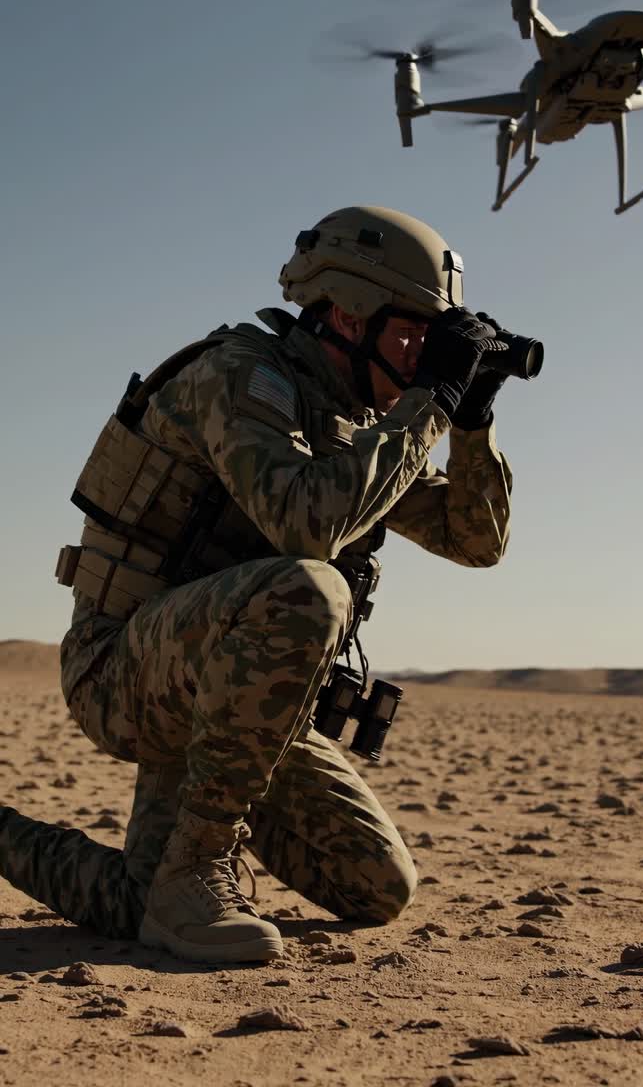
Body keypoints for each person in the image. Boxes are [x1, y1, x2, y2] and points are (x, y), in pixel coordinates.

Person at [0, 205, 513, 964]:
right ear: (349, 311)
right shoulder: (243, 374)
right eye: (415, 336)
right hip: (127, 671)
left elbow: (476, 541)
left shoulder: (356, 423)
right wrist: (429, 402)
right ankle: (197, 871)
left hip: (236, 700)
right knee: (312, 588)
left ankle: (108, 871)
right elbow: (304, 522)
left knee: (376, 889)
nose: (420, 359)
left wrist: (470, 418)